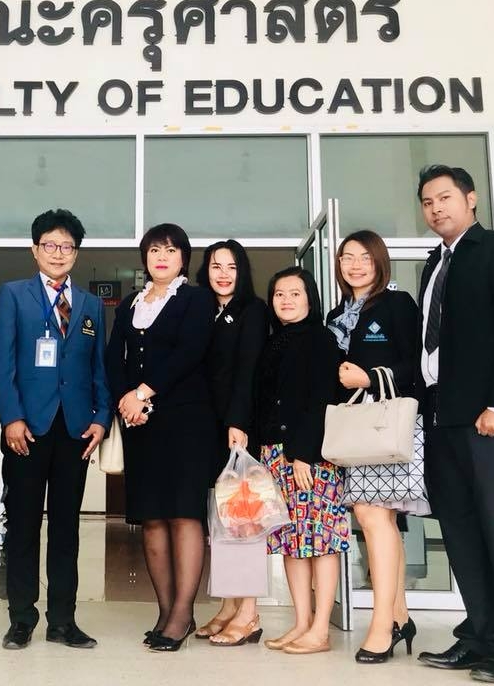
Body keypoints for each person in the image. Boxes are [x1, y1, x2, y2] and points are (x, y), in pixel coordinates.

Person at [414, 165, 494, 683]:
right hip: (442, 419)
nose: (436, 208)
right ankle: (479, 635)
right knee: (463, 532)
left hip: (490, 419)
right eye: (427, 202)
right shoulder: (434, 264)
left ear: (471, 199)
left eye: (445, 197)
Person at [0, 209, 110, 650]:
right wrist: (11, 417)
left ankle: (63, 620)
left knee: (66, 528)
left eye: (66, 246)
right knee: (22, 525)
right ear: (34, 249)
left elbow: (98, 368)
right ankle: (21, 618)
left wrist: (101, 418)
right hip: (27, 427)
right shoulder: (13, 295)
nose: (58, 253)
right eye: (50, 245)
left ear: (76, 253)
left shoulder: (90, 305)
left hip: (75, 430)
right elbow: (2, 362)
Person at [105, 223, 216, 653]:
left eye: (170, 250)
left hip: (186, 421)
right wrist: (124, 399)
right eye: (154, 250)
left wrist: (143, 392)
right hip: (140, 424)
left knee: (184, 514)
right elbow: (114, 355)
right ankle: (165, 611)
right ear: (145, 258)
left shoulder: (196, 299)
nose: (162, 257)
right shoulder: (131, 303)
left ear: (183, 258)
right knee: (151, 517)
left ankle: (182, 614)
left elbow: (191, 351)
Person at [326, 230, 428, 664]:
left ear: (380, 262)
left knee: (373, 515)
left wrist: (369, 377)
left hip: (386, 423)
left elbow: (417, 365)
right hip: (355, 428)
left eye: (364, 257)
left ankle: (382, 625)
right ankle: (399, 616)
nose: (355, 265)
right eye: (347, 257)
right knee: (380, 518)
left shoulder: (396, 303)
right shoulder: (336, 314)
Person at [255, 267, 345, 655]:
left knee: (320, 539)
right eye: (279, 294)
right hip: (276, 454)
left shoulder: (321, 339)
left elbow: (321, 399)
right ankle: (302, 623)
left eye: (295, 292)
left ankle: (321, 629)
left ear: (310, 298)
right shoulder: (274, 341)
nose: (286, 300)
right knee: (291, 540)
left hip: (309, 456)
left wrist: (303, 454)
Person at [193, 240, 268, 646]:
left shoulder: (253, 311)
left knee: (244, 520)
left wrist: (238, 421)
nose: (223, 274)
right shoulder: (201, 309)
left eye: (232, 267)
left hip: (238, 429)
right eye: (215, 266)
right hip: (207, 428)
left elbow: (249, 370)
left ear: (243, 272)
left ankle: (249, 612)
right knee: (219, 520)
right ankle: (227, 604)